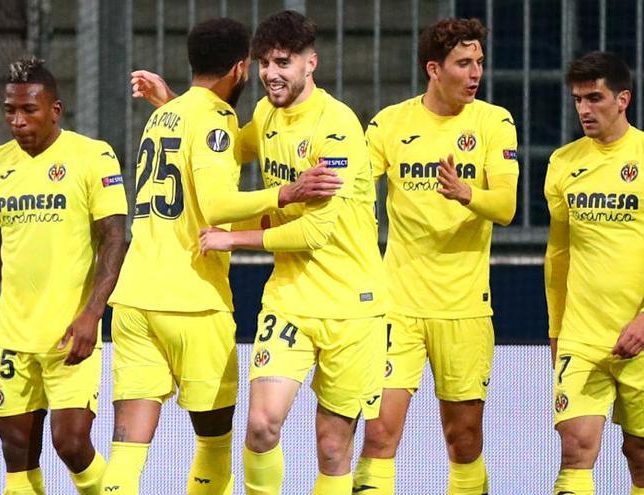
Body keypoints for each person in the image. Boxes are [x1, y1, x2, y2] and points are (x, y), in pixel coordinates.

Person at [101, 17, 342, 495]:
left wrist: (169, 99)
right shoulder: (217, 118)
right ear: (240, 68)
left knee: (127, 449)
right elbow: (216, 206)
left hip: (133, 300)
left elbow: (195, 159)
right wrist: (286, 193)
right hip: (192, 299)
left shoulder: (161, 116)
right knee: (213, 444)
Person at [198, 11, 389, 494]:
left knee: (331, 450)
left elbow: (315, 233)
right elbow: (225, 151)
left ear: (311, 63)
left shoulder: (337, 127)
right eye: (264, 63)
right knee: (261, 426)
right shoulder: (264, 114)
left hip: (352, 306)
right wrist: (182, 109)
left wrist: (232, 238)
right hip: (289, 301)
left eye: (283, 62)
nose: (270, 74)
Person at [352, 18, 518, 495]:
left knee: (462, 439)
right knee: (380, 433)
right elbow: (357, 193)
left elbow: (506, 206)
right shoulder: (390, 123)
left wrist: (467, 193)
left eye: (479, 63)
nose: (475, 74)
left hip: (463, 306)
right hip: (396, 305)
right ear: (434, 69)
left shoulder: (494, 121)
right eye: (464, 64)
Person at [0, 57, 127, 495]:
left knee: (70, 443)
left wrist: (93, 314)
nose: (17, 121)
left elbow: (115, 239)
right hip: (13, 336)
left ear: (55, 109)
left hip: (69, 333)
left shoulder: (92, 156)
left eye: (29, 110)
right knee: (16, 451)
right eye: (10, 110)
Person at [545, 51, 644, 495]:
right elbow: (558, 254)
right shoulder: (562, 163)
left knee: (642, 454)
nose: (583, 109)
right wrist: (557, 327)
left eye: (594, 98)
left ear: (623, 99)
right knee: (575, 448)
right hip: (582, 335)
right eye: (577, 99)